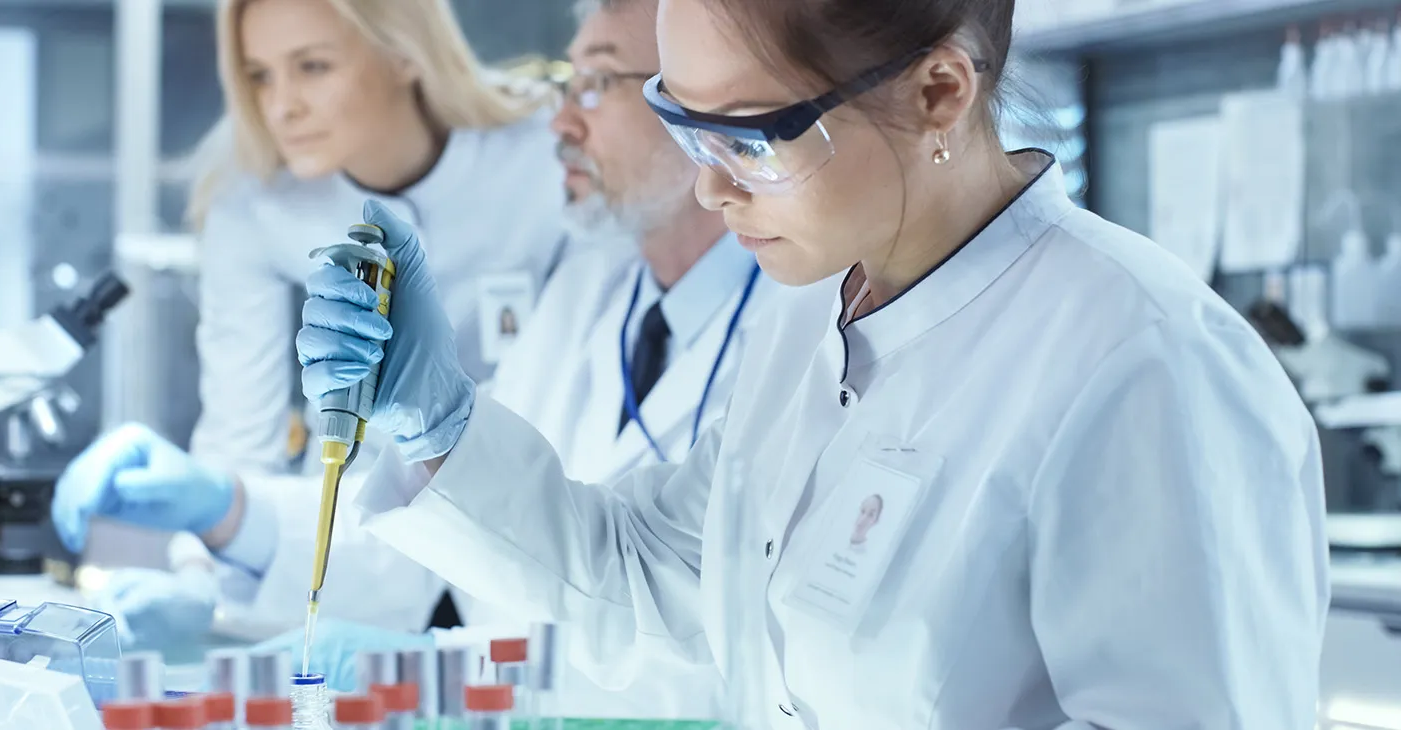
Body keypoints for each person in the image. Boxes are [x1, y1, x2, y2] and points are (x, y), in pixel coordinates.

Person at [297, 0, 1331, 725]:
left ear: (937, 91)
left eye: (750, 139)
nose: (710, 191)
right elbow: (657, 569)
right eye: (682, 129)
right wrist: (436, 423)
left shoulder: (1145, 363)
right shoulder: (809, 320)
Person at [261, 0, 768, 717]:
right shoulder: (587, 289)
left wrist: (431, 673)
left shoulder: (800, 324)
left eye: (596, 84)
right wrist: (230, 516)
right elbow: (492, 540)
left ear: (709, 104)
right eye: (566, 86)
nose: (561, 123)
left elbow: (701, 636)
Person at [50, 0, 566, 646]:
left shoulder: (545, 154)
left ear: (407, 51)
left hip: (540, 541)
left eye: (313, 67)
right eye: (259, 75)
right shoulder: (254, 200)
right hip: (353, 549)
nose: (281, 106)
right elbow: (241, 439)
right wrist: (198, 580)